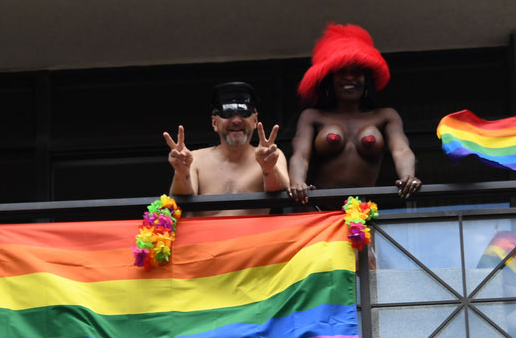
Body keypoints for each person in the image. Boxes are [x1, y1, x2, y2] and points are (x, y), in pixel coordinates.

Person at [288, 23, 421, 204]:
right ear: (330, 79)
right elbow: (300, 156)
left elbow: (402, 150)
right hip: (319, 211)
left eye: (357, 72)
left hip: (364, 213)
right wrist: (297, 183)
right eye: (342, 71)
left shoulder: (386, 116)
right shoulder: (313, 116)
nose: (349, 77)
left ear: (367, 80)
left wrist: (408, 177)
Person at [163, 82, 289, 216]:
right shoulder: (196, 159)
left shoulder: (270, 155)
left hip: (255, 236)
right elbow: (181, 199)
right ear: (214, 123)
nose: (236, 120)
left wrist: (269, 169)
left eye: (244, 112)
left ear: (255, 120)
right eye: (227, 113)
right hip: (207, 236)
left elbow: (281, 192)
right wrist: (182, 172)